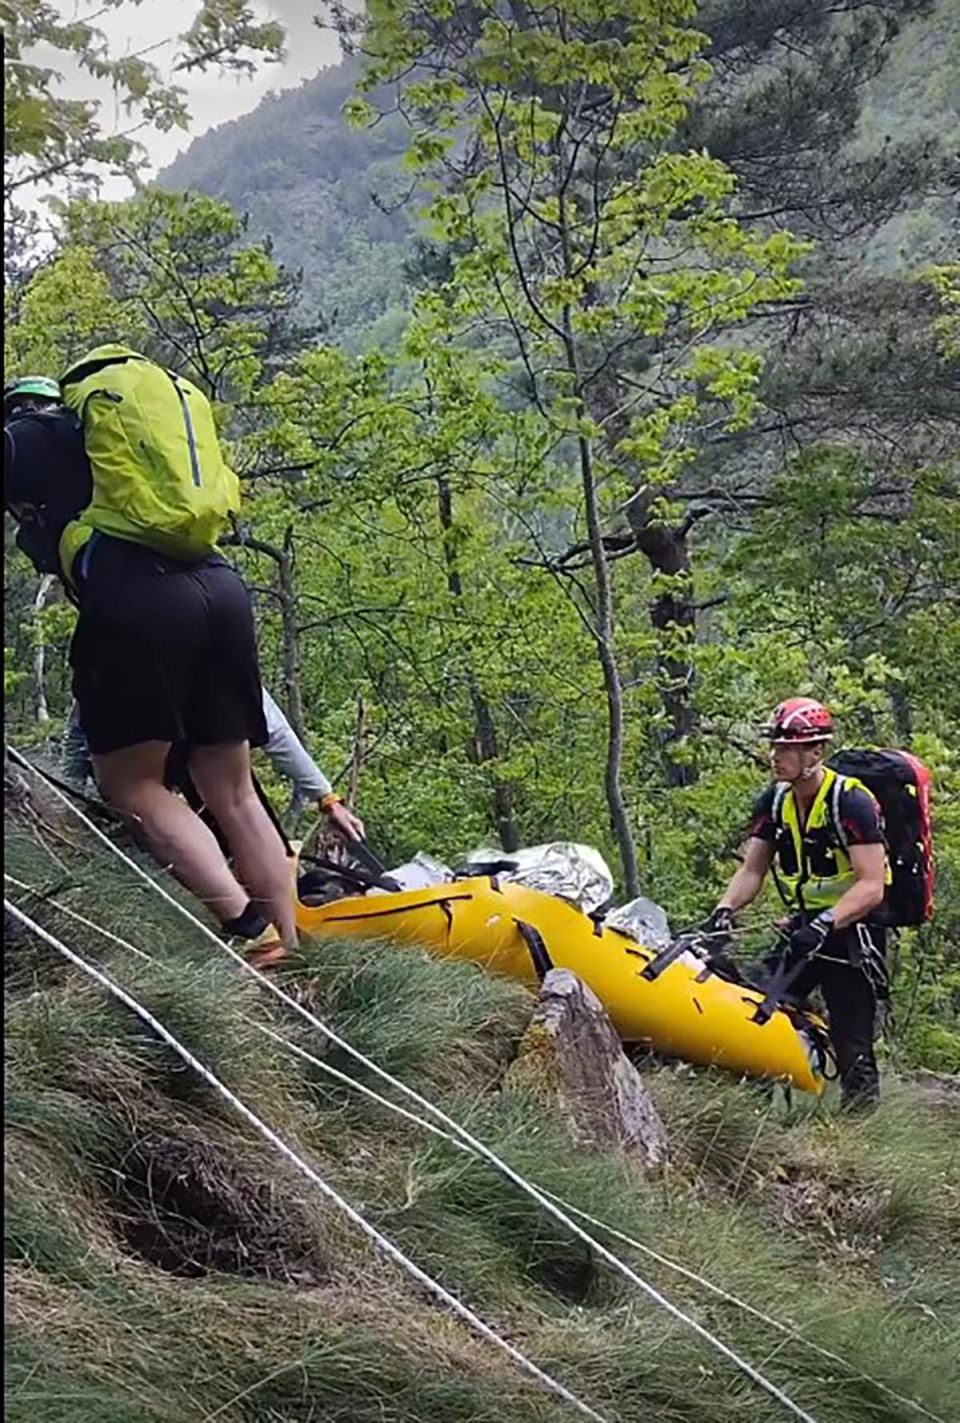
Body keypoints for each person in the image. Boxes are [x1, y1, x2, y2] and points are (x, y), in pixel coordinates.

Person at [4, 370, 298, 968]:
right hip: (219, 586)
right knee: (233, 790)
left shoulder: (29, 439)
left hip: (137, 599)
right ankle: (292, 949)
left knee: (135, 785)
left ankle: (251, 932)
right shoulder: (124, 443)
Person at [703, 698, 889, 1109]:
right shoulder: (775, 802)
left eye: (786, 747)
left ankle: (861, 1132)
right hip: (802, 930)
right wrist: (724, 911)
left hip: (852, 935)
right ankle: (754, 1110)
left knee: (852, 1039)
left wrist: (826, 923)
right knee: (754, 1003)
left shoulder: (851, 803)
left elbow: (872, 884)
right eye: (775, 746)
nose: (775, 755)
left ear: (815, 752)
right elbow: (752, 870)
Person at [62, 691, 365, 843]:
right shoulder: (111, 650)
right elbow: (78, 731)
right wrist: (69, 809)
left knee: (227, 781)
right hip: (126, 776)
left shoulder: (217, 653)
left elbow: (275, 730)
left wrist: (327, 800)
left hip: (196, 759)